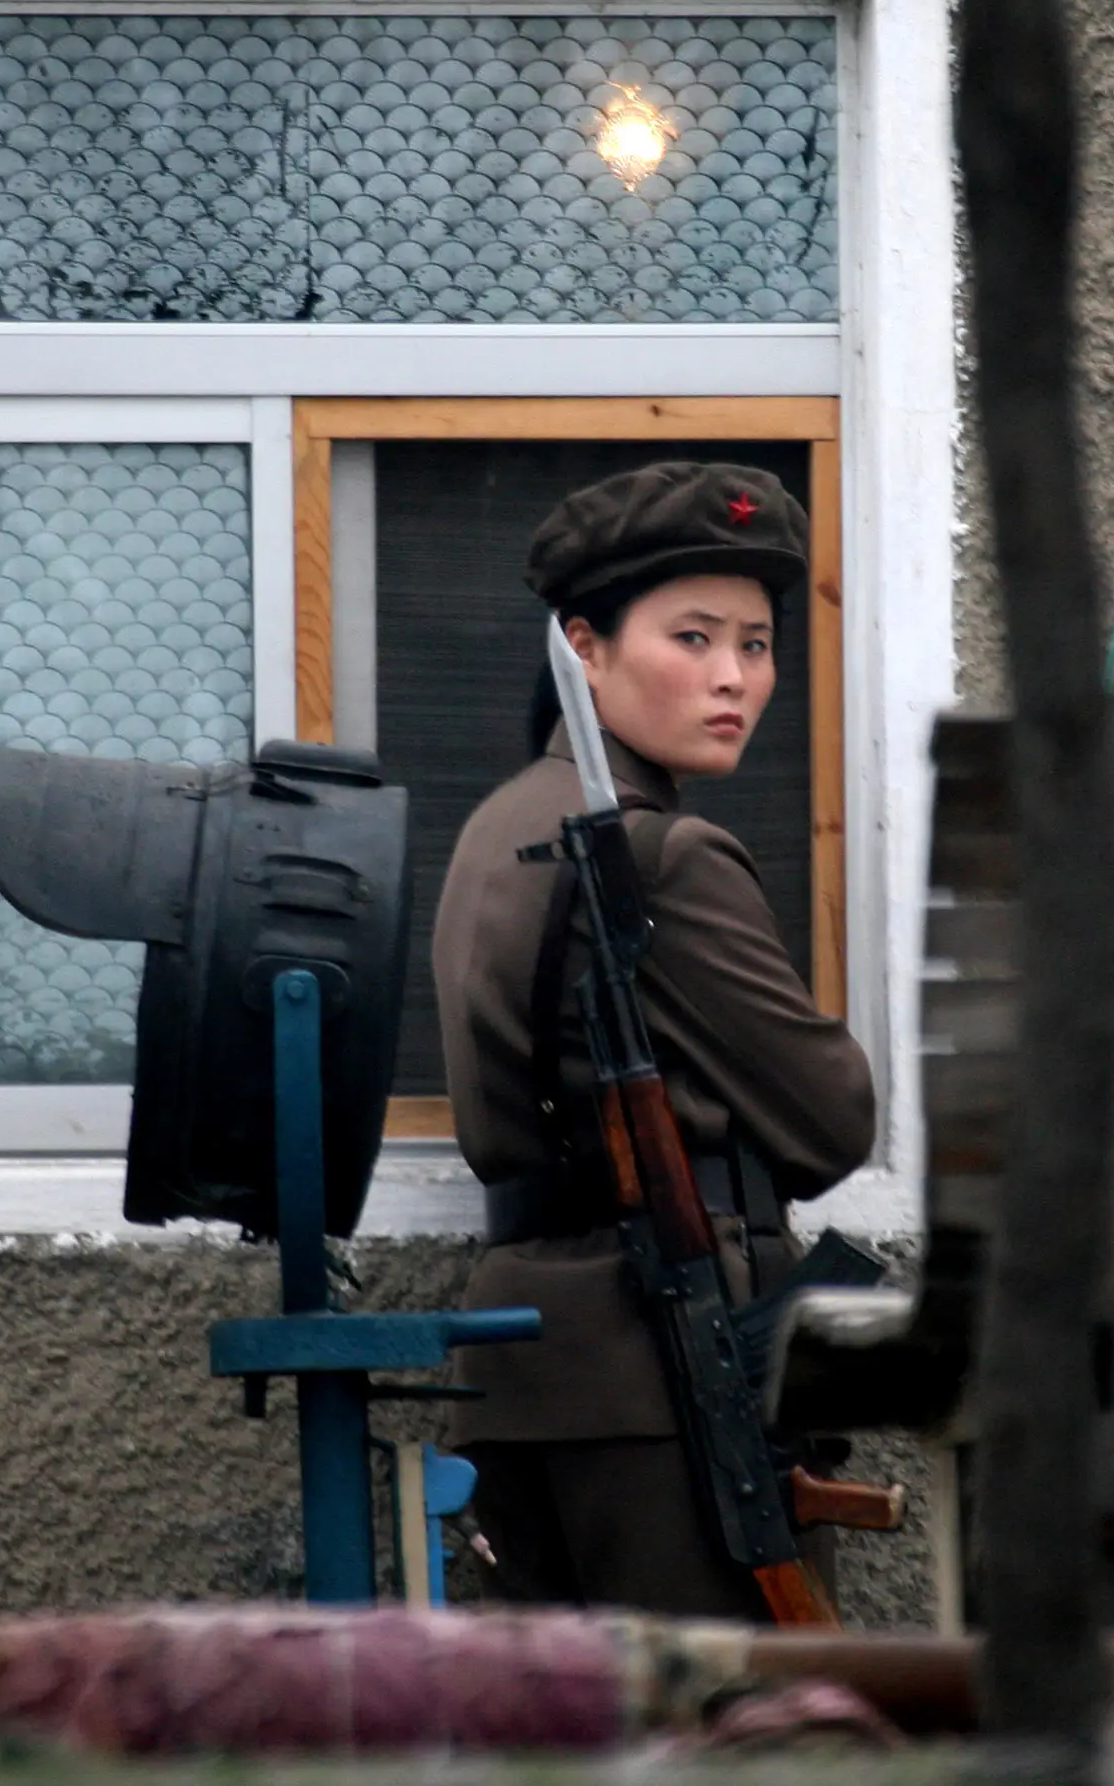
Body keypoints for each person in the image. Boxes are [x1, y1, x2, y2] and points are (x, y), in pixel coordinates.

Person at [435, 460, 877, 1616]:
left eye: (757, 643)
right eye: (692, 637)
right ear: (584, 647)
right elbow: (834, 1121)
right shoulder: (664, 855)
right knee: (728, 1735)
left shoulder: (495, 828)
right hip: (664, 1382)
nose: (734, 678)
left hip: (523, 1368)